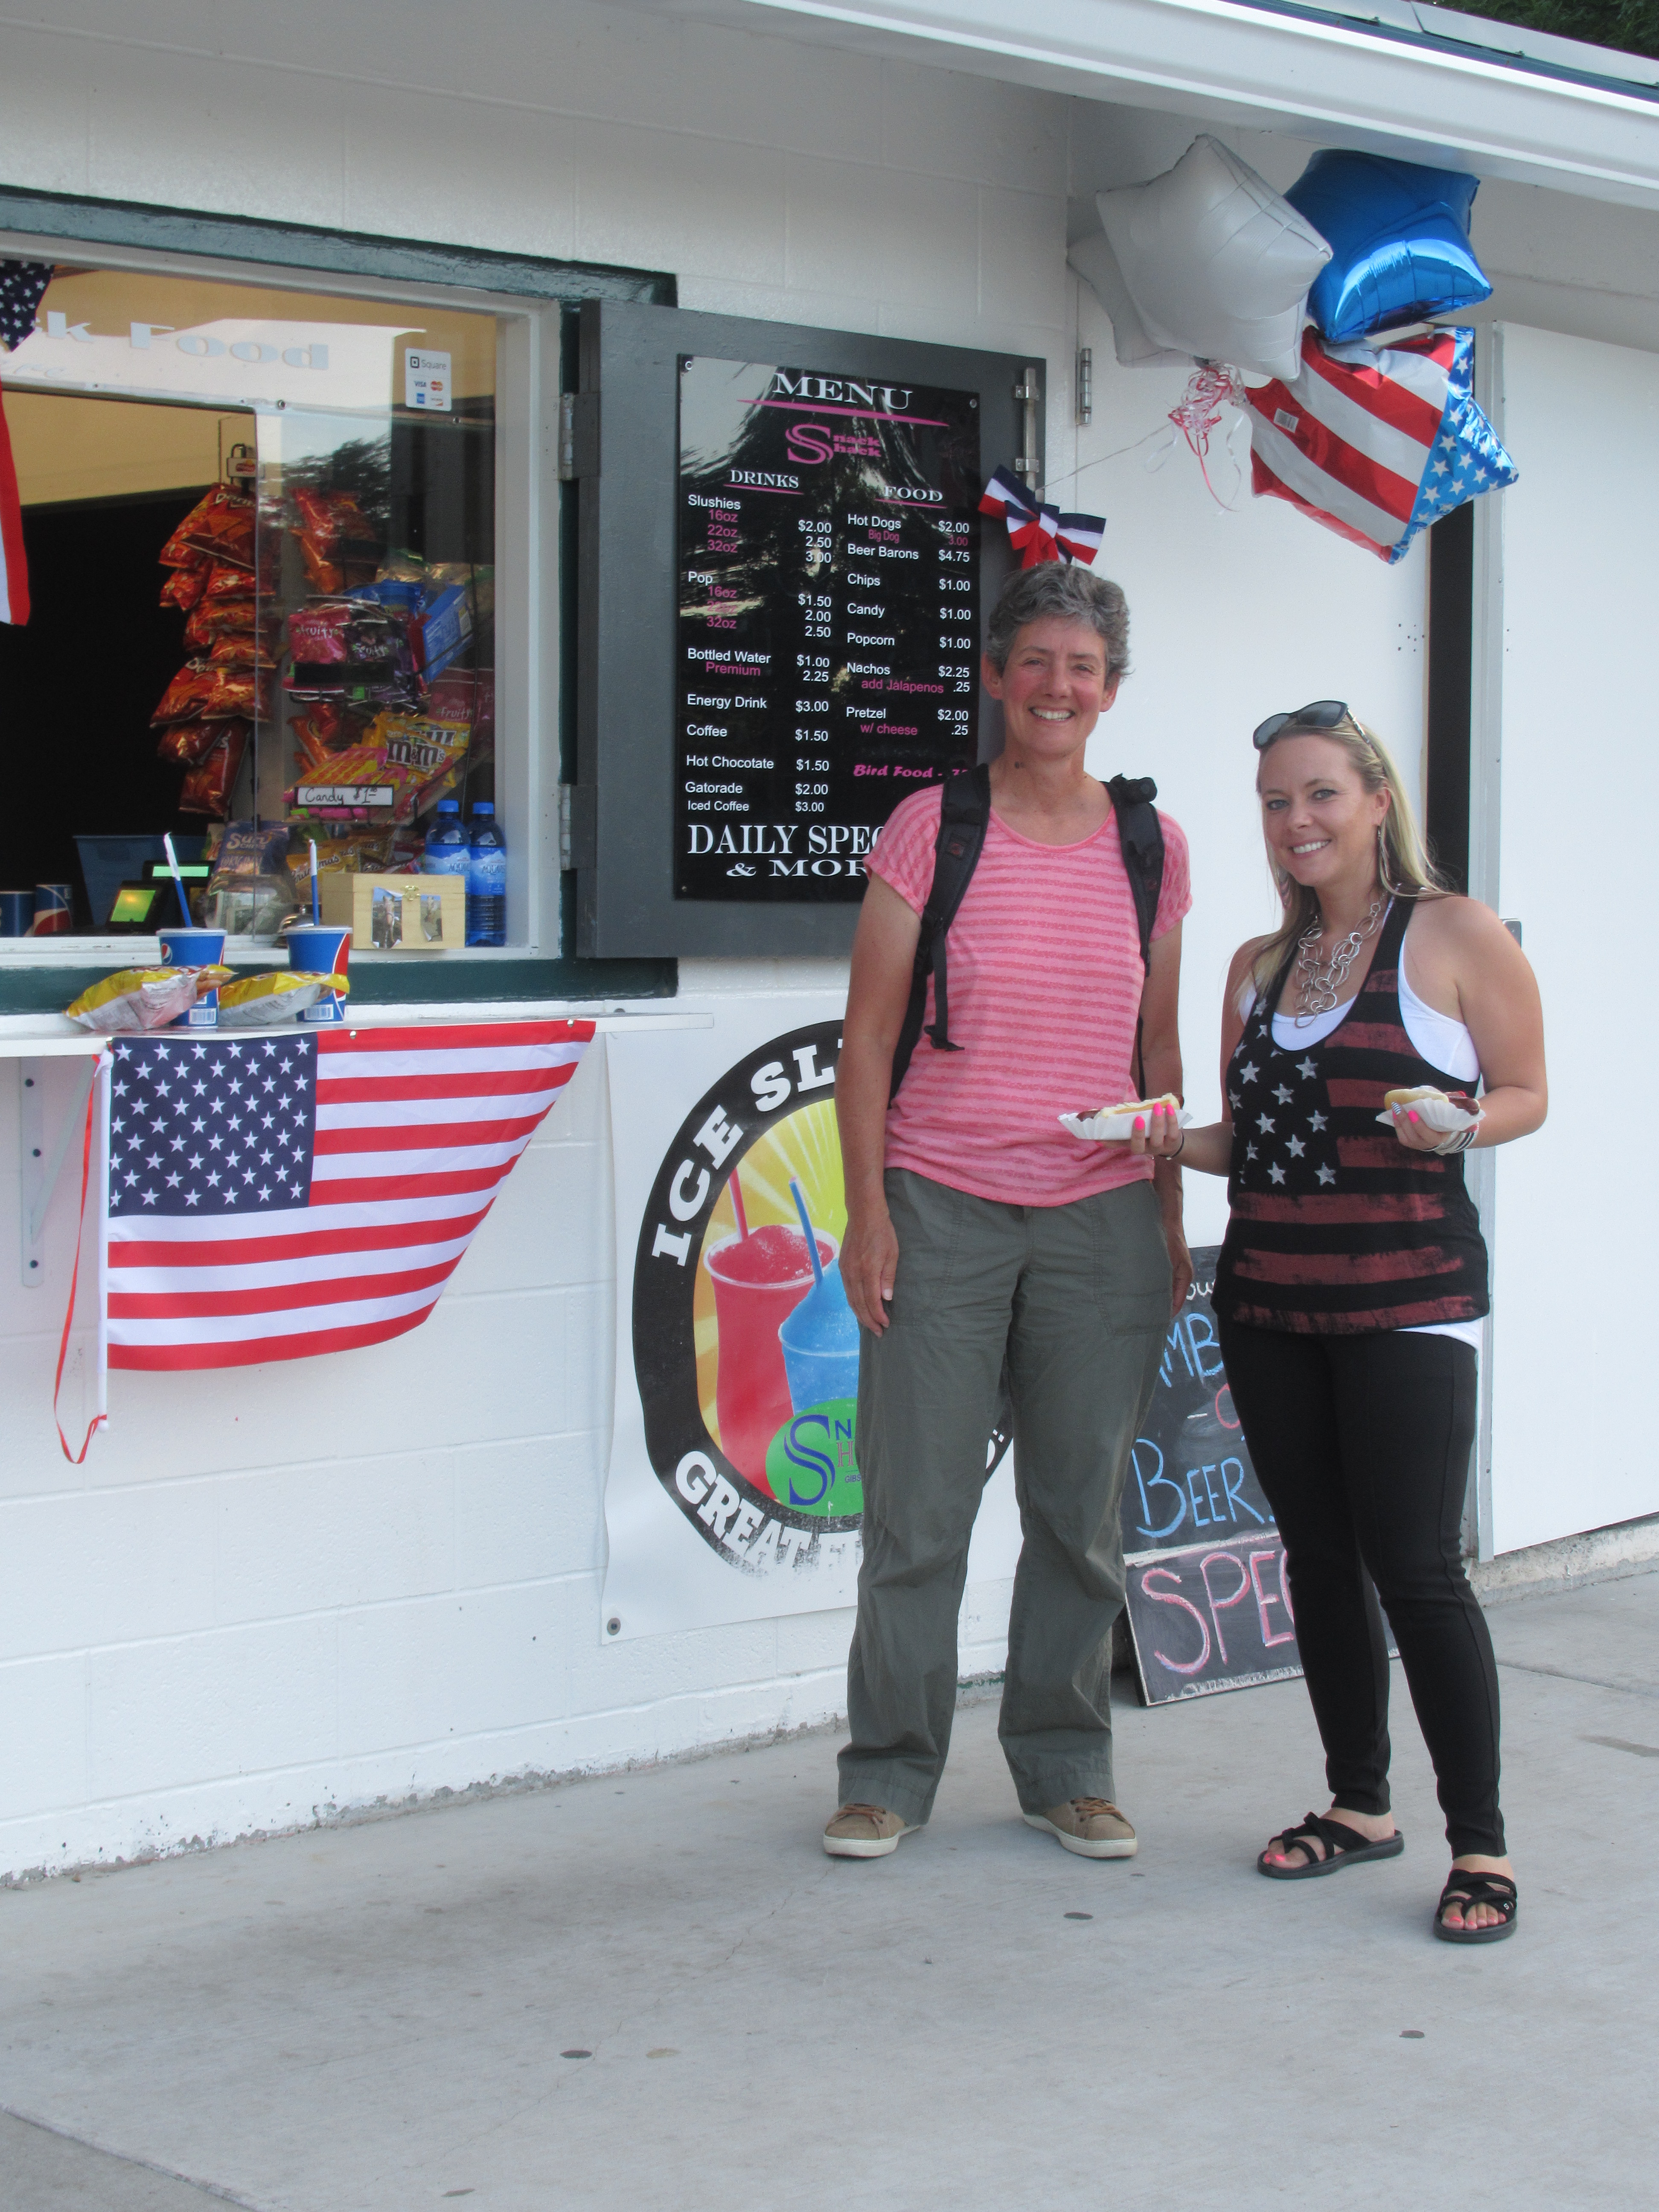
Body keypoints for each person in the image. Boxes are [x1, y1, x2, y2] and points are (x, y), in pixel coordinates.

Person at [1128, 700, 1545, 1942]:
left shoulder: (1454, 932)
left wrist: (1464, 1122)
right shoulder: (1259, 967)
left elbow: (1527, 1092)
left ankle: (1483, 1845)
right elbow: (1252, 1142)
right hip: (1271, 1300)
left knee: (1416, 1567)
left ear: (1375, 801)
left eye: (1319, 794)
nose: (1295, 820)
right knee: (1315, 1558)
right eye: (1275, 801)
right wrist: (1165, 1138)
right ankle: (1360, 1806)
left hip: (1409, 1300)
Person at [823, 561, 1192, 1863]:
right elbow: (867, 1041)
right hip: (942, 1210)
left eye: (1083, 667)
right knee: (916, 1519)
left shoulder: (1154, 846)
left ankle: (1066, 1770)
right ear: (994, 675)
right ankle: (886, 1774)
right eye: (1034, 660)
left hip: (1102, 1220)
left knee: (1080, 1521)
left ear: (1111, 690)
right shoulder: (934, 826)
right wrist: (869, 1214)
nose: (1056, 686)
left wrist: (1165, 1218)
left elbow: (1158, 1052)